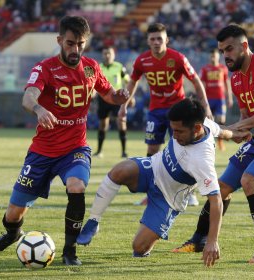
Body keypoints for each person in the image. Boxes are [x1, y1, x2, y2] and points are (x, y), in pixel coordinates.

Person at [0, 16, 129, 266]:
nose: (76, 50)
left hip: (75, 148)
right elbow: (28, 97)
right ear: (60, 40)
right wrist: (39, 110)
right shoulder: (45, 68)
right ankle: (12, 234)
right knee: (13, 214)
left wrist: (120, 96)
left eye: (81, 44)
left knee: (77, 186)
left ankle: (70, 251)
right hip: (42, 151)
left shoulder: (91, 67)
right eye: (71, 43)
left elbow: (109, 95)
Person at [172, 24, 254, 264]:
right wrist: (232, 132)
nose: (225, 55)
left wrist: (229, 128)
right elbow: (246, 120)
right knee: (220, 187)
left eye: (229, 49)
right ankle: (199, 239)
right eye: (222, 51)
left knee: (249, 181)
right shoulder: (236, 78)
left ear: (244, 46)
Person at [76, 98, 251, 267]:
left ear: (197, 128)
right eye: (173, 130)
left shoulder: (202, 160)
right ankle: (93, 221)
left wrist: (212, 241)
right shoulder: (202, 123)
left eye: (179, 131)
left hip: (168, 198)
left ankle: (151, 231)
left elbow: (216, 201)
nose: (174, 135)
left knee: (139, 247)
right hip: (153, 168)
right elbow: (220, 130)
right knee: (119, 170)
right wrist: (235, 135)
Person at [121, 23, 212, 206]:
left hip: (178, 112)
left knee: (182, 151)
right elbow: (132, 82)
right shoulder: (142, 61)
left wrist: (205, 105)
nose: (156, 42)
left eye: (159, 39)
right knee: (152, 151)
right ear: (148, 41)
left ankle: (189, 192)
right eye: (152, 39)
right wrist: (123, 105)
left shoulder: (177, 58)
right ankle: (151, 193)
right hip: (155, 111)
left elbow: (195, 80)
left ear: (166, 40)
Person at [93, 46, 130, 158]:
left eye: (109, 53)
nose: (107, 55)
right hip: (103, 99)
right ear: (102, 55)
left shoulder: (119, 67)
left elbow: (127, 81)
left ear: (113, 54)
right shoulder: (98, 67)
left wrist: (128, 96)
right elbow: (93, 83)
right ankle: (99, 151)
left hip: (116, 99)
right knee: (103, 124)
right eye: (105, 53)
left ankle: (124, 152)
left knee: (121, 122)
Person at [200, 49, 233, 151]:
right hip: (209, 99)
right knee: (209, 121)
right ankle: (209, 141)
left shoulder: (223, 68)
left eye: (215, 56)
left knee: (221, 120)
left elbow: (226, 82)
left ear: (219, 56)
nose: (213, 58)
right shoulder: (205, 69)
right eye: (212, 56)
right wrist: (202, 99)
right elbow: (201, 84)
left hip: (220, 99)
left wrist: (230, 97)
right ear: (210, 57)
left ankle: (220, 141)